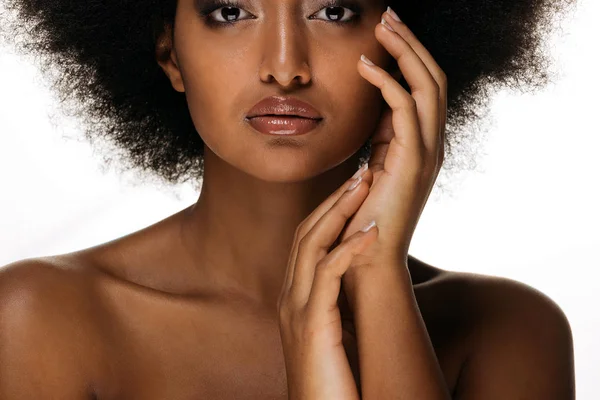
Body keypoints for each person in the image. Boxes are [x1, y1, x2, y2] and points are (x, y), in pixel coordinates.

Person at [0, 1, 577, 398]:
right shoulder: (40, 321)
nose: (284, 67)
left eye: (333, 11)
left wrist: (377, 275)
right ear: (170, 55)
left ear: (406, 48)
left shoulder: (510, 333)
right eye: (231, 12)